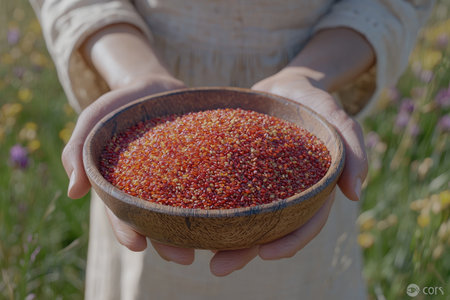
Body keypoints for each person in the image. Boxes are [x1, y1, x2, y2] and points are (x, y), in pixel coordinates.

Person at [30, 0, 434, 299]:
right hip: (135, 68)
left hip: (312, 84)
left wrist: (308, 75)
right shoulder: (145, 127)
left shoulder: (297, 136)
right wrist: (135, 75)